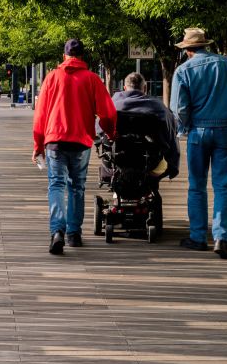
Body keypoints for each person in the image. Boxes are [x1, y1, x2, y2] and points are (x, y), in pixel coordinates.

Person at [170, 28, 227, 259]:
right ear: (205, 45)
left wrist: (184, 128)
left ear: (187, 50)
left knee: (197, 186)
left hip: (198, 132)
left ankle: (197, 237)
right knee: (223, 187)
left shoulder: (183, 71)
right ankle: (221, 238)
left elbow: (180, 108)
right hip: (225, 130)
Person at [32, 39, 117, 255]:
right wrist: (110, 132)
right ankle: (74, 234)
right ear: (82, 57)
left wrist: (38, 144)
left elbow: (40, 114)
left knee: (56, 185)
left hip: (55, 141)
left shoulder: (52, 77)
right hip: (81, 141)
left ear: (64, 56)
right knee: (77, 186)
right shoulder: (92, 79)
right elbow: (107, 112)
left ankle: (57, 231)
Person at [111, 72, 180, 180]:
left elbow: (100, 129)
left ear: (124, 88)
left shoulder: (112, 104)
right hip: (151, 162)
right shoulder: (158, 107)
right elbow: (171, 131)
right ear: (145, 87)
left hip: (118, 159)